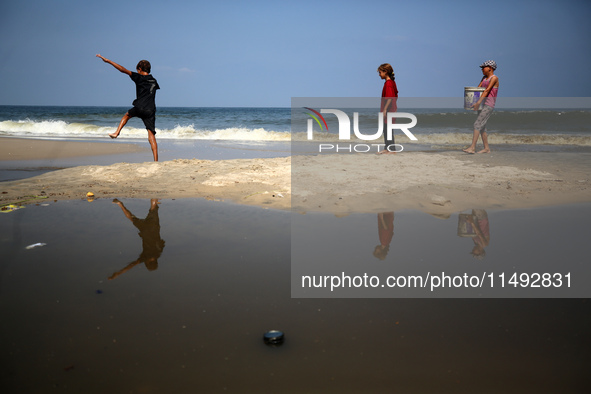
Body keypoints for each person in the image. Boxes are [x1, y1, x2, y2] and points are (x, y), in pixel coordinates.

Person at [96, 54, 160, 161]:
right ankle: (156, 161)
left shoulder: (138, 77)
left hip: (139, 107)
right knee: (151, 134)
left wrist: (108, 61)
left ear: (139, 69)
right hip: (150, 110)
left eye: (137, 70)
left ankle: (117, 133)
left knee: (127, 115)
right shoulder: (154, 80)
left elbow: (123, 70)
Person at [108, 199, 165, 280]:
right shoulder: (145, 257)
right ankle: (120, 204)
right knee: (131, 218)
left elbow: (162, 242)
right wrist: (118, 273)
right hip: (144, 230)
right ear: (147, 263)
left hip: (153, 227)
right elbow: (131, 265)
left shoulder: (158, 253)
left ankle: (154, 196)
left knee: (153, 208)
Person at [463, 60, 499, 154]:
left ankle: (472, 148)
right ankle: (486, 148)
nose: (482, 69)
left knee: (477, 125)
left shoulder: (494, 78)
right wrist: (472, 102)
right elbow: (478, 90)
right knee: (482, 127)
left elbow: (487, 91)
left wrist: (478, 102)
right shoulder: (484, 78)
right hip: (482, 104)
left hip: (488, 105)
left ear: (490, 68)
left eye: (484, 67)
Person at [377, 63, 399, 154]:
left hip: (389, 111)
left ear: (385, 72)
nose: (379, 75)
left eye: (380, 72)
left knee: (388, 129)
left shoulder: (389, 83)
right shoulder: (391, 83)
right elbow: (396, 95)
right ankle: (387, 148)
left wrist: (385, 109)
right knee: (386, 129)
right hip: (391, 110)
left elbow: (390, 97)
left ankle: (391, 149)